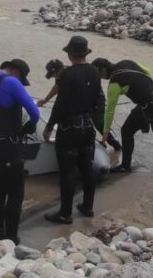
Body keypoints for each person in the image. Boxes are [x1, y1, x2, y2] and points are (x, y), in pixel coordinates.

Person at [0, 59, 39, 245]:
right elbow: (34, 112)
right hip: (12, 145)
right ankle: (11, 238)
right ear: (17, 72)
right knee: (16, 193)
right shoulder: (11, 81)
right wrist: (28, 127)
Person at [43, 36, 101, 224]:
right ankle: (87, 207)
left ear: (69, 55)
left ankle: (65, 213)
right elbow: (99, 100)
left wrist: (50, 125)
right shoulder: (94, 71)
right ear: (85, 53)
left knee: (67, 171)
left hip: (70, 129)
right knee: (86, 168)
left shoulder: (68, 75)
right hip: (88, 126)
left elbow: (61, 104)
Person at [92, 57, 153, 173]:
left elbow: (110, 111)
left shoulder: (114, 84)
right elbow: (147, 72)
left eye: (99, 75)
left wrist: (105, 133)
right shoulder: (127, 62)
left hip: (148, 106)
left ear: (102, 70)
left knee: (126, 130)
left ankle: (125, 166)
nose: (101, 78)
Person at [38, 59, 122, 151]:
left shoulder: (68, 74)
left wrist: (49, 126)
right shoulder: (61, 75)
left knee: (99, 123)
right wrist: (45, 100)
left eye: (54, 75)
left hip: (96, 99)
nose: (54, 77)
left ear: (59, 70)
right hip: (83, 98)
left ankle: (116, 145)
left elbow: (59, 103)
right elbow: (57, 87)